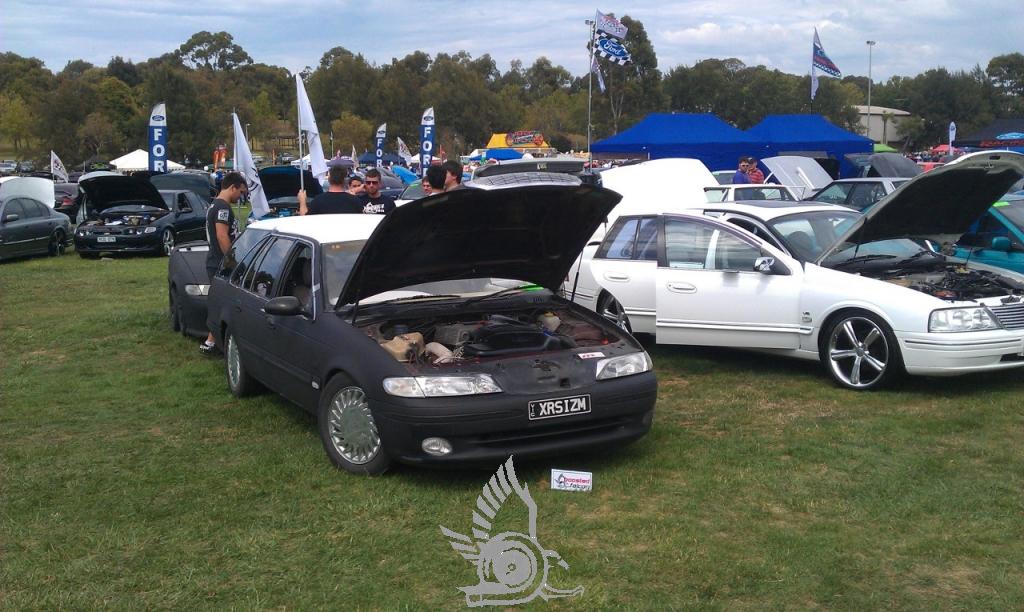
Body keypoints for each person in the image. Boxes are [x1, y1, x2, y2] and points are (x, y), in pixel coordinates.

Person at [200, 172, 246, 355]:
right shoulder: (222, 208)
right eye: (240, 192)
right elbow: (221, 235)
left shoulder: (215, 205)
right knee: (223, 303)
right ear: (232, 187)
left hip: (216, 261)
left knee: (222, 302)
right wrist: (231, 259)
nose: (240, 196)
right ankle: (212, 342)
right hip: (220, 263)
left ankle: (211, 342)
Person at [298, 166, 363, 215]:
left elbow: (306, 219)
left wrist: (302, 201)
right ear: (344, 180)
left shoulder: (318, 201)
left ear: (329, 179)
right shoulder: (355, 201)